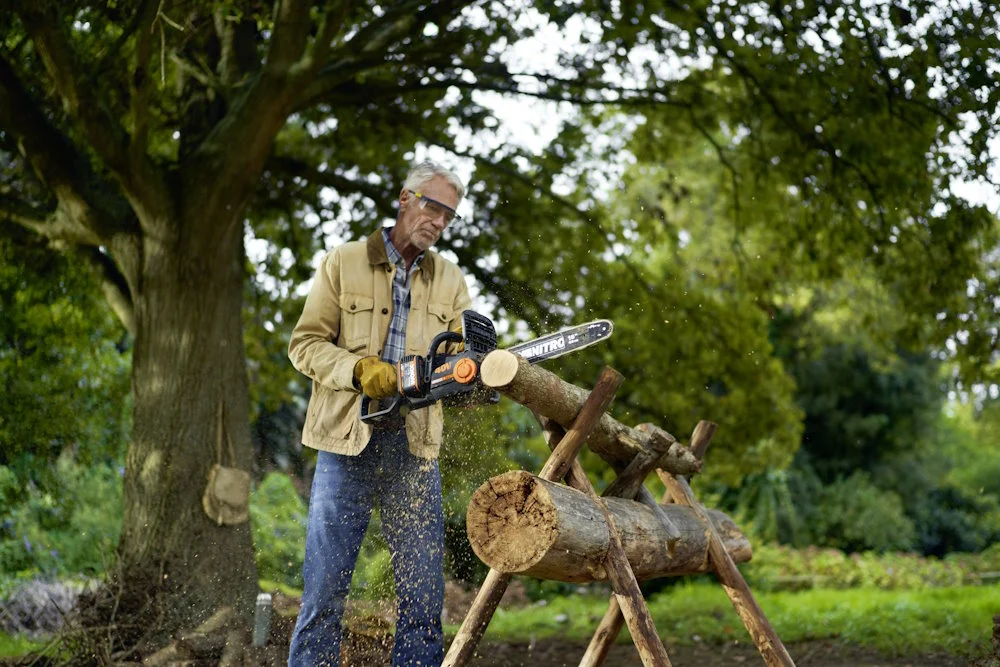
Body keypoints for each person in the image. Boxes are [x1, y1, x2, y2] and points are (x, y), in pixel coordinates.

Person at [286, 161, 472, 666]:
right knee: (324, 594)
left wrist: (467, 374)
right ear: (405, 199)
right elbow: (304, 345)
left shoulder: (450, 279)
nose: (438, 221)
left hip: (414, 448)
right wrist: (358, 368)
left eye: (449, 215)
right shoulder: (343, 262)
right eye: (432, 206)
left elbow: (461, 355)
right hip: (346, 442)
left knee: (422, 599)